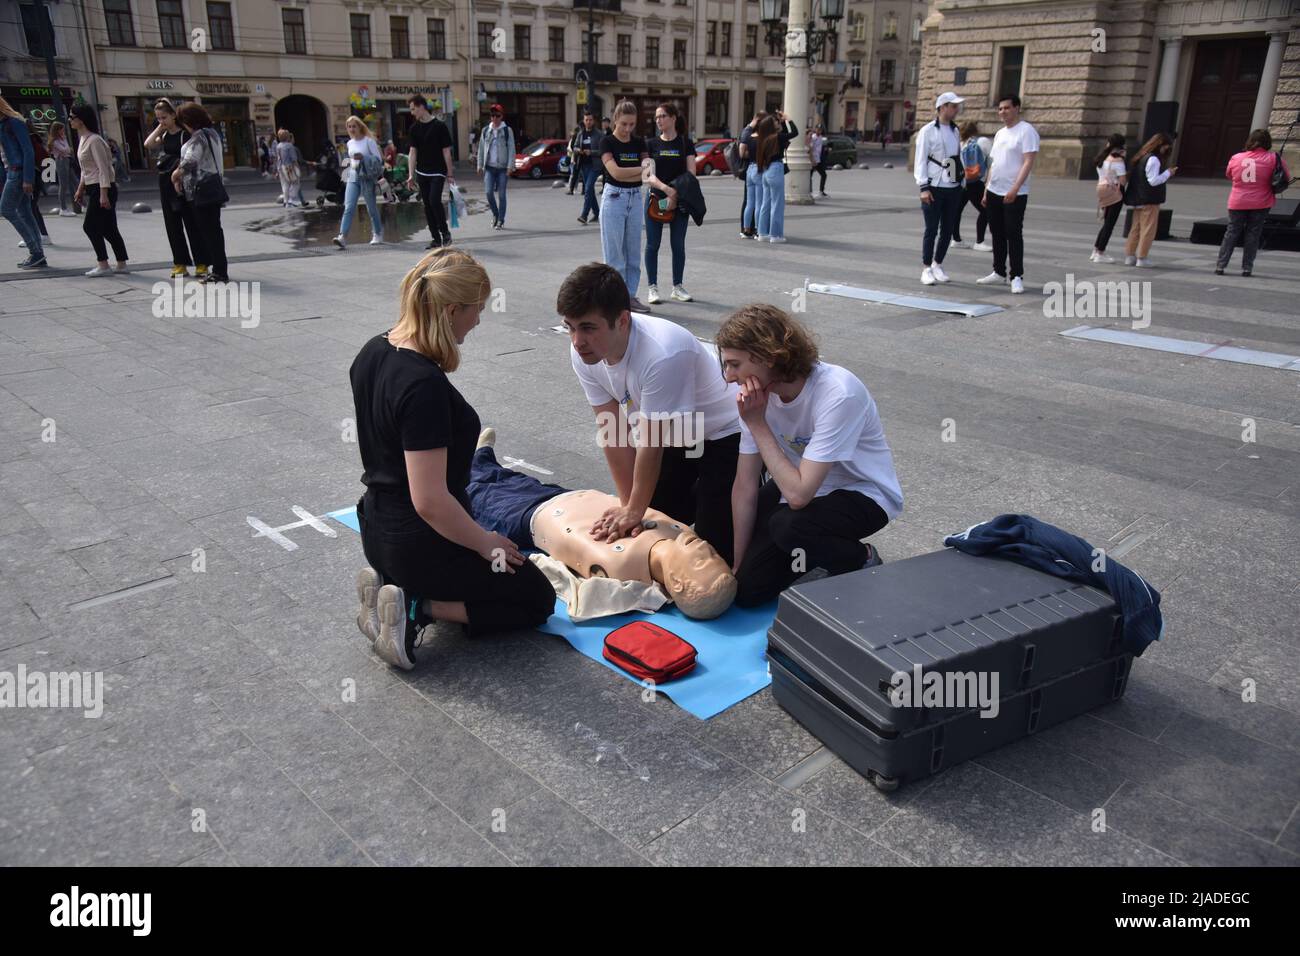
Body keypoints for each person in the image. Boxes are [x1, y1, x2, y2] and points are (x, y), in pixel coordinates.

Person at [349, 249, 557, 670]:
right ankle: (417, 607)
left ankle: (393, 586)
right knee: (537, 599)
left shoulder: (373, 351)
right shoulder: (421, 384)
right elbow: (429, 500)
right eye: (476, 310)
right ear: (450, 311)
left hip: (376, 531)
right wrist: (485, 542)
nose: (478, 320)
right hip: (420, 545)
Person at [718, 304, 903, 607]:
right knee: (747, 591)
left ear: (767, 355)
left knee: (789, 526)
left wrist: (757, 424)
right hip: (799, 480)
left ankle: (860, 557)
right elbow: (745, 485)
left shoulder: (838, 392)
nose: (728, 377)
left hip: (862, 493)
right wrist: (738, 564)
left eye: (735, 364)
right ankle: (811, 552)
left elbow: (799, 496)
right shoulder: (755, 399)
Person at [559, 262, 741, 565]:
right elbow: (613, 431)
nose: (577, 341)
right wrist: (628, 506)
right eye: (570, 327)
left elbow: (650, 445)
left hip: (725, 431)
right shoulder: (584, 352)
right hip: (680, 431)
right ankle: (699, 495)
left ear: (623, 321)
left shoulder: (662, 353)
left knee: (715, 552)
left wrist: (634, 511)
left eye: (588, 328)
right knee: (650, 518)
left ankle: (751, 490)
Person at [467, 430, 736, 620]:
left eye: (701, 562)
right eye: (713, 554)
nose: (703, 549)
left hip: (530, 519)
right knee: (517, 482)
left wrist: (652, 598)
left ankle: (461, 464)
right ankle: (483, 459)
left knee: (481, 494)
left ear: (676, 582)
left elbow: (583, 595)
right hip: (571, 498)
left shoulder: (626, 571)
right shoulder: (683, 533)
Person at [977, 94, 1039, 294]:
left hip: (1015, 193)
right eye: (1000, 109)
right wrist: (986, 189)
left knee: (1013, 234)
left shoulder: (1026, 131)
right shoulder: (1000, 133)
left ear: (1017, 108)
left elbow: (1028, 161)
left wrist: (1015, 188)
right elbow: (994, 164)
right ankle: (998, 271)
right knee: (996, 232)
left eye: (1006, 108)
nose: (1002, 112)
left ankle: (1017, 276)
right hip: (995, 190)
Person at [598, 101, 651, 311]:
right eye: (624, 124)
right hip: (614, 198)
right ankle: (615, 299)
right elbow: (615, 173)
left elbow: (648, 173)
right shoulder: (607, 142)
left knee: (633, 252)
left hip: (635, 198)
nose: (628, 129)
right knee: (614, 255)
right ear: (615, 121)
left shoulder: (640, 142)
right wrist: (639, 168)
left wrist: (635, 170)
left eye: (631, 124)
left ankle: (630, 296)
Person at [643, 102, 696, 306]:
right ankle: (652, 288)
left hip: (679, 200)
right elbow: (647, 175)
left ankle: (677, 287)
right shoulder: (651, 144)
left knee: (678, 245)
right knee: (652, 244)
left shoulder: (685, 143)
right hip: (656, 199)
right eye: (657, 117)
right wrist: (667, 191)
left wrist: (675, 197)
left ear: (673, 118)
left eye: (663, 116)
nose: (659, 120)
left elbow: (691, 173)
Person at [1215, 128, 1288, 277]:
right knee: (1253, 234)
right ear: (1267, 142)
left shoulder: (1236, 157)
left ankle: (1221, 265)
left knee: (1231, 232)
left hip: (1238, 200)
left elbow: (1229, 175)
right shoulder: (1273, 158)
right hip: (1261, 201)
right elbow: (1285, 176)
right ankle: (1247, 268)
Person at [144, 98, 203, 278]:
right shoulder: (164, 135)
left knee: (191, 222)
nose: (161, 121)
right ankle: (180, 263)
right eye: (158, 118)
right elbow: (148, 144)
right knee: (172, 224)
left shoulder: (184, 134)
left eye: (164, 117)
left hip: (183, 181)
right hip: (166, 181)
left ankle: (201, 262)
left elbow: (190, 158)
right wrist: (160, 128)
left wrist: (179, 173)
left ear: (173, 115)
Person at [171, 102, 228, 284]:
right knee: (214, 231)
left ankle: (219, 272)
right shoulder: (212, 134)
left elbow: (191, 161)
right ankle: (219, 270)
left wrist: (176, 174)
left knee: (211, 233)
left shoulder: (199, 137)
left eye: (182, 121)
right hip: (210, 188)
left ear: (188, 120)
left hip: (202, 190)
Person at [69, 104, 128, 277]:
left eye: (72, 117)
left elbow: (104, 168)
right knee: (108, 227)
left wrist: (103, 194)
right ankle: (122, 263)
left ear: (81, 119)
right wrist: (80, 189)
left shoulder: (95, 140)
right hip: (93, 186)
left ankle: (103, 264)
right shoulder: (82, 140)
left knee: (90, 226)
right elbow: (85, 169)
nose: (70, 120)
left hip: (104, 188)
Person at [914, 92, 965, 286]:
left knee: (948, 229)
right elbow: (920, 160)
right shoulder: (927, 131)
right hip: (933, 186)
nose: (956, 109)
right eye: (953, 106)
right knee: (931, 229)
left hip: (952, 186)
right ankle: (926, 267)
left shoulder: (955, 130)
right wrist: (923, 187)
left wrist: (960, 182)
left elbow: (956, 157)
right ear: (942, 107)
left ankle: (938, 263)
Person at [405, 94, 455, 249]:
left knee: (434, 201)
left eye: (413, 109)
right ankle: (435, 239)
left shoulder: (440, 126)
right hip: (422, 172)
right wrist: (411, 174)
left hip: (438, 171)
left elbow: (446, 152)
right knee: (427, 205)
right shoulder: (414, 128)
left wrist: (450, 173)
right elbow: (412, 152)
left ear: (421, 107)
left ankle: (445, 234)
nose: (412, 112)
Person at [1, 95, 45, 269]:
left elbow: (28, 150)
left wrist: (28, 178)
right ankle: (38, 254)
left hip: (18, 172)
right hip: (11, 171)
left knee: (6, 209)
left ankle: (35, 251)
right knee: (25, 211)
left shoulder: (14, 122)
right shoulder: (3, 124)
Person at [1123, 132, 1176, 268]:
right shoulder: (1153, 159)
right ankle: (1142, 257)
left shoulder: (1141, 156)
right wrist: (1168, 173)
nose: (1167, 149)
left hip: (1138, 198)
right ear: (1161, 145)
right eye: (1166, 146)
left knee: (1135, 228)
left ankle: (1130, 256)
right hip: (1149, 199)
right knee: (1148, 229)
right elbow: (1153, 181)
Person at [333, 115, 385, 250]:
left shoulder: (369, 141)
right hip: (353, 175)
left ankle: (377, 233)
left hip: (366, 177)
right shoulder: (350, 143)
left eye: (354, 126)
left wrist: (364, 157)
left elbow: (378, 160)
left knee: (371, 207)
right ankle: (342, 236)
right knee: (349, 206)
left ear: (360, 127)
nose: (351, 129)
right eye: (349, 127)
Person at [752, 114, 794, 243]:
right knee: (777, 204)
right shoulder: (777, 138)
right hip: (776, 170)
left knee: (766, 204)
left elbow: (785, 136)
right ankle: (775, 235)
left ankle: (762, 233)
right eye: (775, 122)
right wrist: (788, 120)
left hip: (766, 172)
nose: (777, 123)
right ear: (771, 126)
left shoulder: (764, 139)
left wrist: (782, 122)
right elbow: (795, 133)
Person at [952, 120, 992, 251]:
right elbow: (992, 162)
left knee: (957, 210)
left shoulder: (957, 144)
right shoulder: (982, 142)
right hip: (976, 183)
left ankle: (956, 239)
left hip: (961, 183)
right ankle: (979, 241)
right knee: (986, 210)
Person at [475, 103, 514, 231]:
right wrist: (480, 165)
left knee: (502, 195)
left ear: (501, 116)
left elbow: (512, 149)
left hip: (502, 168)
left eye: (497, 116)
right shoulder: (486, 130)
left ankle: (501, 220)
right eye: (492, 116)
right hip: (490, 168)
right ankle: (495, 214)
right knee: (488, 193)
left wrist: (510, 166)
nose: (494, 118)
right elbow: (481, 148)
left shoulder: (507, 130)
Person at [1091, 134, 1127, 263]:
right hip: (1113, 192)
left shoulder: (1102, 158)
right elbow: (1122, 180)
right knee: (1109, 224)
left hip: (1101, 189)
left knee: (1106, 221)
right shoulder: (1117, 161)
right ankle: (1100, 252)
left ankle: (1096, 250)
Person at [737, 110, 762, 238]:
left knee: (749, 202)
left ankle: (747, 229)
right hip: (755, 168)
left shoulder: (748, 132)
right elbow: (742, 153)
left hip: (749, 170)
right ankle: (757, 230)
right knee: (754, 202)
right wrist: (755, 155)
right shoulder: (748, 132)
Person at [574, 111, 601, 225]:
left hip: (595, 166)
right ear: (584, 121)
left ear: (593, 121)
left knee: (588, 187)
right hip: (583, 165)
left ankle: (584, 215)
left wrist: (592, 152)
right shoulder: (580, 134)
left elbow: (603, 151)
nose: (588, 122)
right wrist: (578, 150)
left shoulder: (599, 134)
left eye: (590, 120)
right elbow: (574, 146)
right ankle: (598, 213)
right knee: (590, 190)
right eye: (586, 120)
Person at [47, 122, 76, 216]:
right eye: (62, 129)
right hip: (61, 161)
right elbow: (65, 150)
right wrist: (66, 145)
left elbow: (68, 150)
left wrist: (66, 145)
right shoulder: (55, 141)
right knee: (63, 185)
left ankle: (83, 204)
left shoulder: (62, 139)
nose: (63, 131)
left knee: (75, 181)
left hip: (66, 159)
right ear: (57, 130)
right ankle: (63, 208)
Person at [274, 129, 303, 207]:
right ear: (287, 137)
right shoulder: (289, 146)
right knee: (296, 183)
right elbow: (294, 159)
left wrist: (277, 170)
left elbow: (278, 159)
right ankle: (291, 200)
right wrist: (297, 168)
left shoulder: (278, 146)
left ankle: (286, 201)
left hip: (280, 167)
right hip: (289, 167)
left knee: (284, 185)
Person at [808, 125, 828, 196]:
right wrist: (812, 159)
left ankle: (821, 191)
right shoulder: (813, 137)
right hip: (813, 159)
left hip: (818, 160)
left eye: (820, 130)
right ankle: (809, 191)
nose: (819, 131)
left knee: (824, 175)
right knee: (809, 176)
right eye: (818, 129)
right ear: (815, 129)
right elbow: (810, 148)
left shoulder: (821, 137)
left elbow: (820, 148)